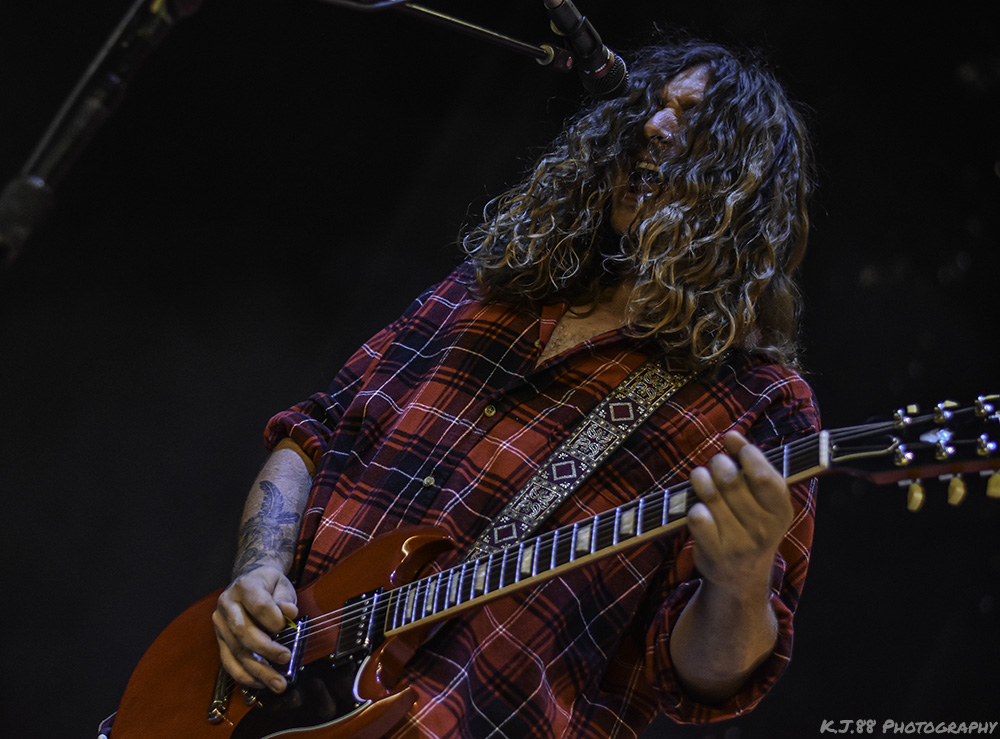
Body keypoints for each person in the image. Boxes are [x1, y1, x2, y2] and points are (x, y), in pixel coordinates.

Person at [210, 35, 819, 738]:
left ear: (745, 184)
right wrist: (259, 568)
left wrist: (741, 577)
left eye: (691, 118)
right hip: (255, 701)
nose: (653, 127)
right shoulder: (484, 292)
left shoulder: (755, 403)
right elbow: (314, 432)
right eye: (652, 107)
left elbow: (703, 682)